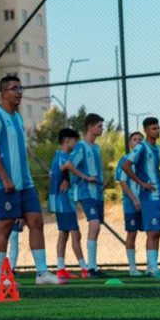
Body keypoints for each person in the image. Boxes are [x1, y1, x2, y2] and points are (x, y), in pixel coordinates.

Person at [0, 75, 62, 285]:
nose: (19, 92)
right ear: (3, 93)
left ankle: (42, 273)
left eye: (21, 88)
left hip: (25, 184)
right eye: (14, 88)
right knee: (5, 225)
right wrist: (5, 178)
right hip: (3, 184)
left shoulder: (17, 117)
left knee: (36, 222)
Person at [122, 117, 160, 278]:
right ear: (146, 131)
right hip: (148, 197)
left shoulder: (159, 149)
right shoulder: (141, 147)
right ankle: (153, 268)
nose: (157, 131)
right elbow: (125, 166)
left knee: (158, 232)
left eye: (158, 128)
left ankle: (151, 266)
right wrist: (142, 183)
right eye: (153, 128)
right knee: (152, 231)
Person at [49, 128, 90, 279]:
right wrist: (85, 178)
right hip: (64, 201)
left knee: (64, 234)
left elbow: (52, 174)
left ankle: (61, 268)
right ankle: (85, 268)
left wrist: (65, 179)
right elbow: (65, 167)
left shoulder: (58, 156)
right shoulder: (63, 157)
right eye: (74, 141)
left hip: (61, 201)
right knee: (75, 234)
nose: (76, 144)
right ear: (67, 141)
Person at [71, 113, 106, 277]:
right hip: (85, 191)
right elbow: (69, 165)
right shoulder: (81, 146)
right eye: (99, 126)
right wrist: (86, 177)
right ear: (90, 128)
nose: (102, 129)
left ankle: (93, 266)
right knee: (94, 225)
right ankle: (91, 268)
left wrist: (102, 181)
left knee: (96, 227)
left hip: (97, 192)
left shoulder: (96, 147)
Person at [116, 131, 144, 275]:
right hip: (131, 203)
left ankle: (151, 265)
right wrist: (134, 199)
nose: (137, 141)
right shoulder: (125, 160)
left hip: (147, 202)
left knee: (152, 233)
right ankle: (132, 267)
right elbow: (122, 181)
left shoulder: (146, 160)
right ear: (130, 143)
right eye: (134, 139)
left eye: (140, 139)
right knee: (132, 233)